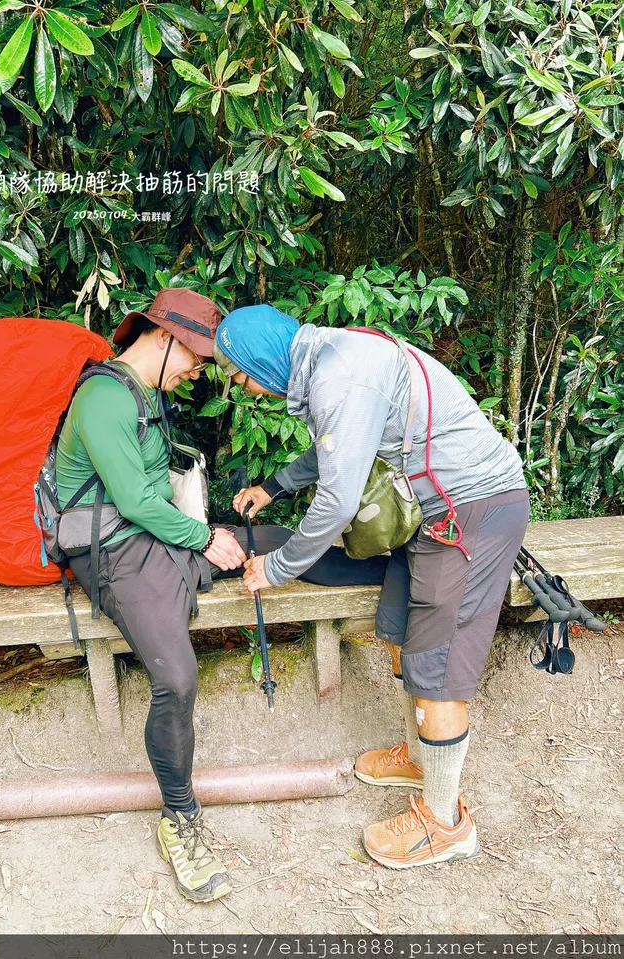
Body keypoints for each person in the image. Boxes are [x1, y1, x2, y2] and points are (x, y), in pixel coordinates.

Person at [55, 289, 387, 902]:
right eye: (197, 359)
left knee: (284, 541)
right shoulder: (103, 396)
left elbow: (156, 500)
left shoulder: (145, 392)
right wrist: (206, 537)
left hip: (163, 532)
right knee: (176, 677)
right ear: (163, 337)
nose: (198, 372)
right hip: (115, 551)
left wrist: (209, 534)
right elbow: (131, 503)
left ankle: (400, 579)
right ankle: (180, 818)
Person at [214, 304, 530, 870]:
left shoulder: (341, 375)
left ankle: (445, 824)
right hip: (430, 512)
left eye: (241, 376)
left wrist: (277, 566)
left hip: (470, 514)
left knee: (436, 665)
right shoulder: (327, 359)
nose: (247, 390)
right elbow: (340, 444)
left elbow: (337, 503)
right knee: (398, 627)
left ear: (260, 357)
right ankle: (418, 755)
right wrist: (276, 485)